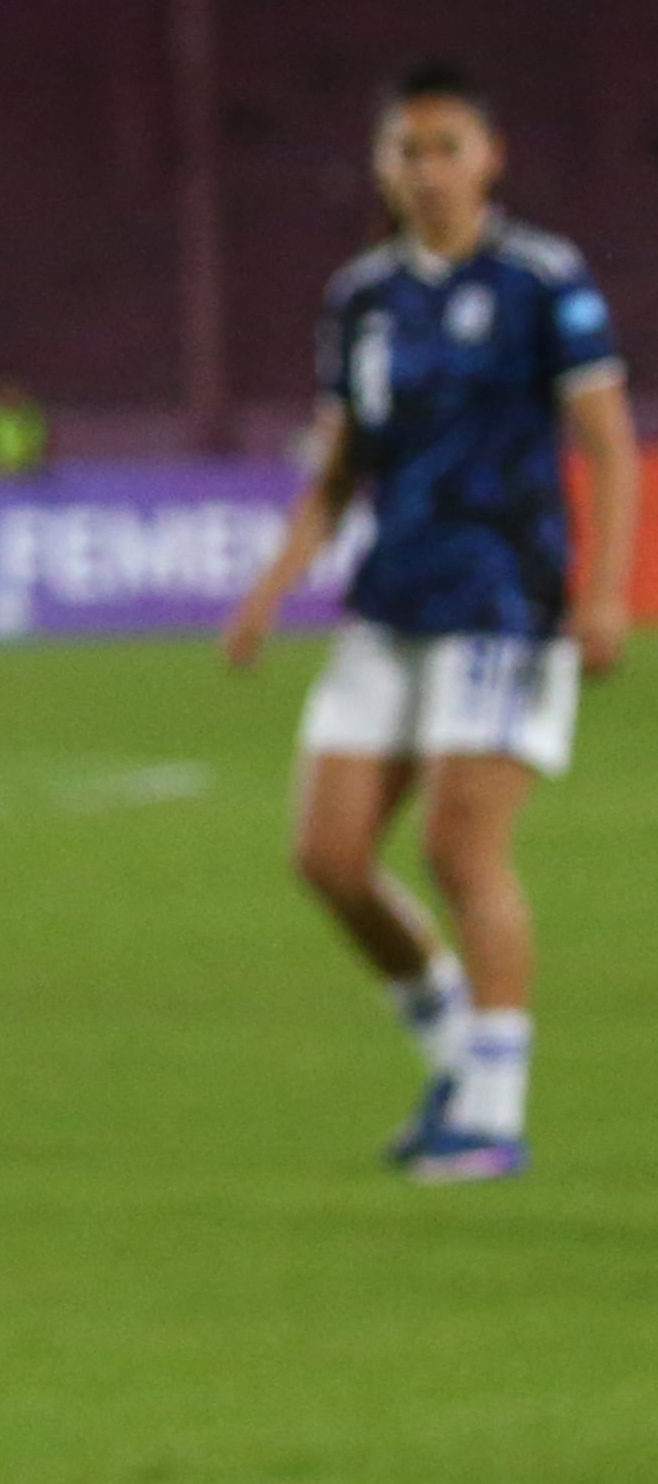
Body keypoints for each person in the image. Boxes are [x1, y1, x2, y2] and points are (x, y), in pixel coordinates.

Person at [224, 61, 636, 1182]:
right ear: (383, 167)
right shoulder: (361, 296)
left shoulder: (542, 281)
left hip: (505, 603)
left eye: (448, 147)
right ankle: (454, 1039)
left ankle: (493, 1111)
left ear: (489, 158)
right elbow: (341, 465)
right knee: (329, 857)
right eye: (407, 151)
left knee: (461, 848)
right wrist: (271, 591)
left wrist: (606, 591)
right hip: (392, 605)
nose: (428, 169)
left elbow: (605, 443)